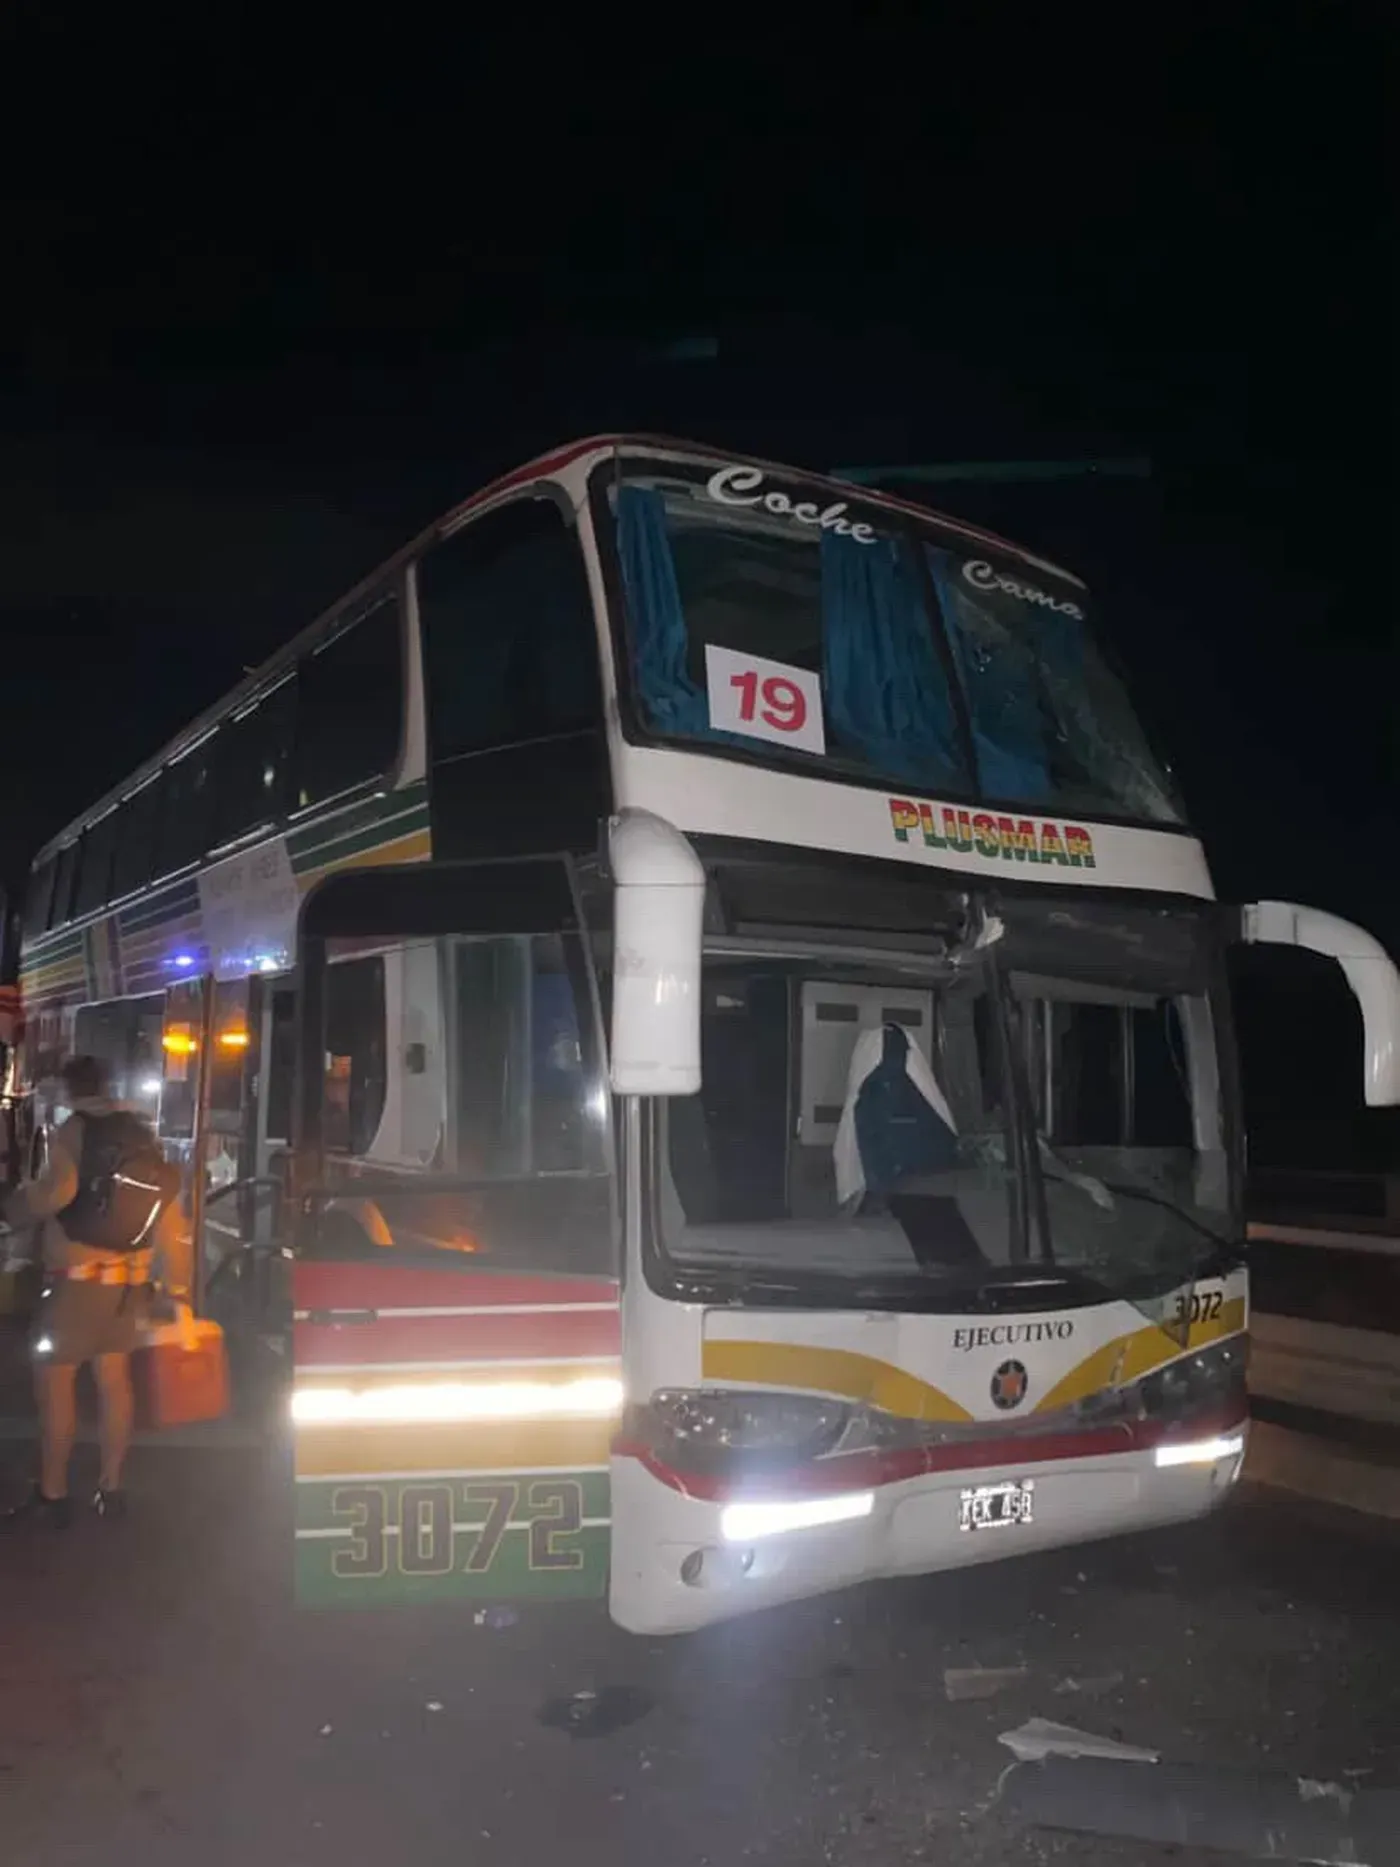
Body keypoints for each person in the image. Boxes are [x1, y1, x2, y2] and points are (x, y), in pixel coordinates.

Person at [0, 1054, 189, 1527]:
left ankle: (53, 1493)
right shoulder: (142, 1133)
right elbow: (168, 1214)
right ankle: (111, 1487)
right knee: (115, 1385)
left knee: (56, 1385)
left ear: (69, 1089)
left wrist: (15, 1207)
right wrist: (177, 1284)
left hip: (75, 1287)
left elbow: (56, 1193)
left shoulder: (75, 1129)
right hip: (129, 1286)